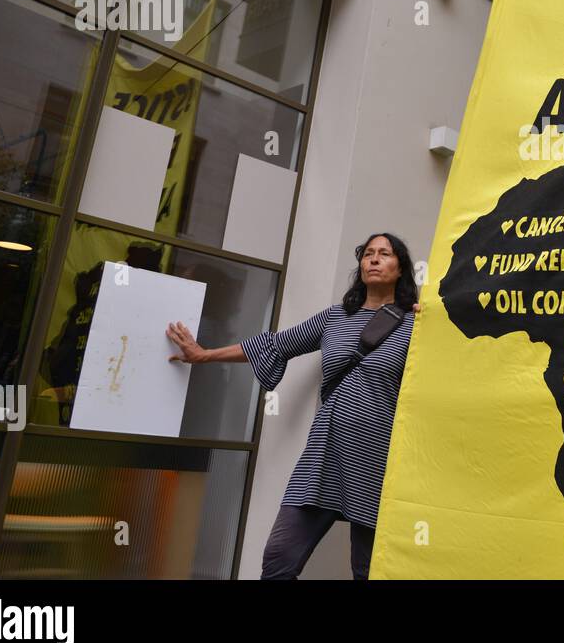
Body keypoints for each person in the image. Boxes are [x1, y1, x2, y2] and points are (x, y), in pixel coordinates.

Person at [166, 232, 418, 579]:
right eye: (368, 254)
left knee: (369, 570)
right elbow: (276, 344)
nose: (374, 259)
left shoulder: (415, 326)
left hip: (377, 460)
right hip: (323, 457)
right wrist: (205, 354)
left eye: (385, 254)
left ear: (400, 267)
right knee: (278, 559)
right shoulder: (335, 318)